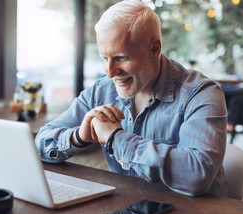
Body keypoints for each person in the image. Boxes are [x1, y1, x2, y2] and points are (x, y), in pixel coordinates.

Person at [35, 0, 227, 196]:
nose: (110, 72)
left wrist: (115, 137)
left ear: (154, 49)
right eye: (104, 58)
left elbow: (197, 175)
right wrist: (79, 137)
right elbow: (40, 143)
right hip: (127, 213)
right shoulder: (101, 91)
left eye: (120, 58)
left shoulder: (201, 93)